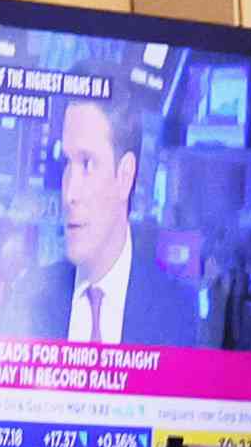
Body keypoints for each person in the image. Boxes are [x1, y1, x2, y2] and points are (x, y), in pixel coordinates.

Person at [18, 84, 201, 351]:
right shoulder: (29, 296)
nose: (69, 193)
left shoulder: (176, 309)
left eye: (88, 164)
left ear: (125, 176)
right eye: (66, 163)